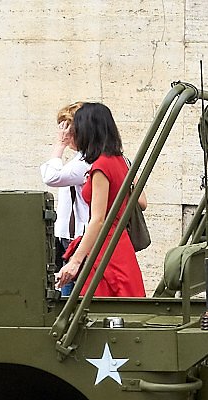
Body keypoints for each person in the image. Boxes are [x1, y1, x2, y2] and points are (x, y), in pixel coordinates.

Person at [56, 102, 147, 297]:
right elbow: (141, 202)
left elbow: (98, 219)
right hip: (119, 243)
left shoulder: (101, 166)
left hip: (104, 246)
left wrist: (75, 261)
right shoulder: (120, 160)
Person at [39, 103, 90, 289]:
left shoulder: (85, 162)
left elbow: (51, 176)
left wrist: (59, 145)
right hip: (71, 235)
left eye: (68, 129)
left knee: (69, 291)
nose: (65, 134)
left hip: (77, 237)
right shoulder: (82, 159)